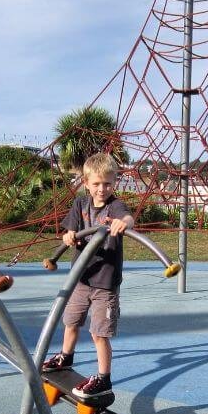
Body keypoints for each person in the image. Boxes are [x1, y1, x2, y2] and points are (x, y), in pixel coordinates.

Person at [41, 152, 135, 399]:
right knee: (71, 321)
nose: (102, 189)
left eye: (107, 183)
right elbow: (70, 230)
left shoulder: (115, 206)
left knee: (98, 333)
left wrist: (122, 223)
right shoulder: (80, 204)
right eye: (96, 184)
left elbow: (129, 217)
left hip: (105, 282)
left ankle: (104, 378)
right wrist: (68, 235)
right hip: (81, 278)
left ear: (114, 182)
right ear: (86, 183)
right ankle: (65, 356)